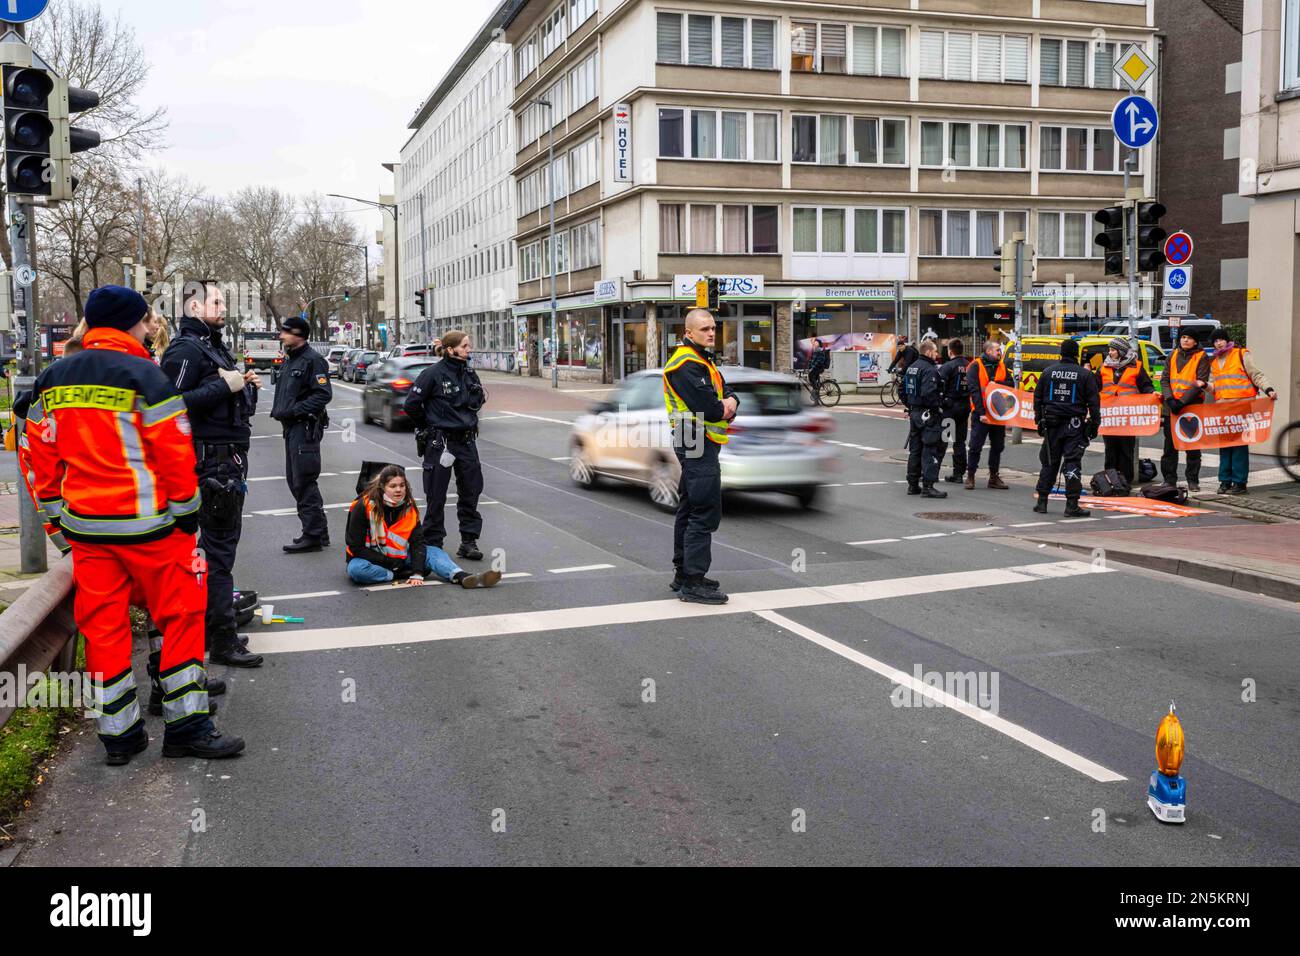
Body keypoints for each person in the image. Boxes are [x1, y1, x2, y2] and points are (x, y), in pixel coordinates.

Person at [24, 285, 243, 764]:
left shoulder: (52, 378)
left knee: (104, 632)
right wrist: (186, 521)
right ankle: (187, 728)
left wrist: (62, 528)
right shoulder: (145, 375)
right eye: (145, 320)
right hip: (151, 530)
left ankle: (120, 738)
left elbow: (41, 461)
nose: (149, 327)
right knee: (181, 620)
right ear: (131, 323)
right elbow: (174, 457)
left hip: (88, 532)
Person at [161, 281, 264, 668]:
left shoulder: (212, 344)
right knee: (218, 555)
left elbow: (229, 401)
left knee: (220, 551)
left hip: (227, 461)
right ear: (193, 306)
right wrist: (224, 386)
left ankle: (214, 631)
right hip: (210, 466)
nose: (224, 307)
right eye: (216, 301)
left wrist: (242, 389)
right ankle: (221, 639)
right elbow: (170, 405)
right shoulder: (186, 349)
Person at [664, 308, 739, 604]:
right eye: (705, 329)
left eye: (713, 328)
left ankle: (684, 574)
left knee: (690, 504)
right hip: (695, 437)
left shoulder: (702, 359)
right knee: (704, 508)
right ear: (688, 333)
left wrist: (730, 401)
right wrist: (726, 406)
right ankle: (693, 582)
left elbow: (728, 392)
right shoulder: (685, 364)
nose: (711, 332)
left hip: (693, 435)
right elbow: (710, 407)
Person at [404, 329, 487, 561]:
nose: (469, 350)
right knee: (436, 494)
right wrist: (428, 426)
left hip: (467, 441)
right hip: (440, 442)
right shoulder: (432, 374)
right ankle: (433, 543)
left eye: (468, 345)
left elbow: (476, 402)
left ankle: (468, 541)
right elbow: (412, 404)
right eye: (465, 346)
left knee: (471, 491)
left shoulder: (469, 374)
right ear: (451, 350)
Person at [344, 465, 501, 588]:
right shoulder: (363, 507)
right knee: (356, 570)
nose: (398, 490)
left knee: (433, 551)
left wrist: (418, 572)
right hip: (373, 560)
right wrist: (394, 566)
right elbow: (356, 547)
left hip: (403, 558)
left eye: (402, 485)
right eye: (393, 486)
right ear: (382, 487)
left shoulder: (409, 507)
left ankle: (462, 576)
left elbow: (418, 541)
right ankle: (396, 575)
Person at [271, 315, 333, 552]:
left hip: (303, 428)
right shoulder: (291, 359)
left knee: (303, 480)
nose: (281, 336)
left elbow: (322, 394)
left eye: (285, 332)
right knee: (296, 480)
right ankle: (319, 530)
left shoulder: (312, 360)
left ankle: (313, 535)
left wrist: (295, 411)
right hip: (292, 428)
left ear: (298, 335)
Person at [1033, 338, 1101, 517]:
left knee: (1049, 461)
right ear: (1076, 354)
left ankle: (1042, 502)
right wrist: (1095, 424)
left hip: (1051, 424)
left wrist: (1039, 420)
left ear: (1061, 353)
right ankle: (1071, 505)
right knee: (1072, 462)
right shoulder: (1085, 375)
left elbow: (1038, 399)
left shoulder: (1048, 372)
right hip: (1074, 425)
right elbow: (1094, 403)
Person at [1207, 330, 1277, 495]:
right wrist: (1204, 386)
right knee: (1225, 446)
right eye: (1215, 341)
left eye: (1221, 339)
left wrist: (1268, 389)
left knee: (1239, 446)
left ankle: (1239, 483)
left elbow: (1255, 374)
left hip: (1242, 409)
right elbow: (1213, 387)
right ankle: (1224, 481)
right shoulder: (1214, 363)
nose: (1219, 343)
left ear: (1227, 341)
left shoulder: (1241, 354)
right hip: (1223, 410)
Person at [1096, 336, 1155, 487]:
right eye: (1110, 349)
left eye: (1113, 350)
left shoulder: (1136, 366)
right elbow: (1095, 386)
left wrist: (1152, 394)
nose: (1110, 353)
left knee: (1126, 450)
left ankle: (1125, 481)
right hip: (1109, 417)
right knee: (1110, 450)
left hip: (1127, 418)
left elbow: (1146, 385)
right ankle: (1111, 481)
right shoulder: (1104, 366)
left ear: (1121, 352)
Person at [1160, 329, 1211, 493]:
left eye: (1189, 338)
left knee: (1193, 446)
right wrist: (1169, 399)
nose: (1185, 340)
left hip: (1191, 407)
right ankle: (1169, 479)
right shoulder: (1172, 355)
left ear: (1195, 341)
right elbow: (1165, 379)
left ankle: (1192, 480)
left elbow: (1200, 382)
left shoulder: (1201, 357)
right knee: (1170, 447)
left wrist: (1181, 402)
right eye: (1183, 337)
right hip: (1172, 407)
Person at [964, 339, 1014, 491]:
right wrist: (980, 413)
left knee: (998, 446)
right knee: (975, 446)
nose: (1000, 352)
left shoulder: (1001, 366)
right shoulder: (975, 366)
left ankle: (994, 477)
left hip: (997, 414)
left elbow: (1011, 385)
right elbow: (974, 390)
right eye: (998, 350)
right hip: (982, 414)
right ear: (989, 351)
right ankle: (971, 476)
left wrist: (996, 383)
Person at [902, 339, 947, 499]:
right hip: (928, 414)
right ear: (928, 352)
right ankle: (928, 486)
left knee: (915, 449)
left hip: (915, 413)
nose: (937, 354)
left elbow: (903, 388)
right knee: (931, 448)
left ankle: (912, 485)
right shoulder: (929, 370)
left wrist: (910, 405)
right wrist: (938, 407)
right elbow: (929, 394)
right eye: (935, 351)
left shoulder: (912, 368)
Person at [937, 338, 971, 483]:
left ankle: (934, 470)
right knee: (960, 442)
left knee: (943, 440)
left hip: (950, 409)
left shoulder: (948, 366)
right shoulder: (970, 365)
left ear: (950, 351)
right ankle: (958, 473)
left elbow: (939, 386)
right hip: (964, 408)